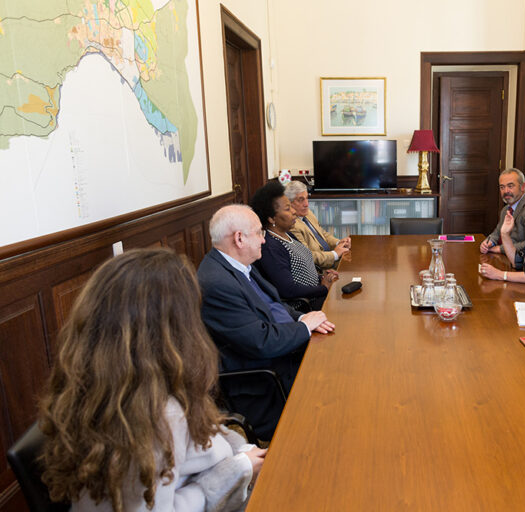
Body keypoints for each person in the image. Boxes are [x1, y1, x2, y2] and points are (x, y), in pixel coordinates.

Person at [39, 248, 267, 511]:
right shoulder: (155, 415)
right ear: (173, 328)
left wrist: (242, 450)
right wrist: (237, 468)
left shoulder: (106, 384)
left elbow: (204, 429)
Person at [197, 204, 335, 439]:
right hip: (266, 380)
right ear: (239, 238)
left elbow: (274, 304)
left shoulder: (240, 265)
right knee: (337, 397)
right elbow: (261, 342)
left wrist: (302, 317)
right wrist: (303, 327)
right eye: (259, 232)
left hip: (285, 353)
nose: (264, 240)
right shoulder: (217, 282)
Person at [250, 181, 339, 310]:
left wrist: (322, 278)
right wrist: (323, 288)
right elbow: (288, 290)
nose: (294, 212)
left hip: (317, 294)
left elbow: (302, 271)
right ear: (271, 218)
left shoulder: (287, 235)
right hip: (304, 306)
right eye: (287, 208)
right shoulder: (271, 247)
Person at [285, 180, 351, 269]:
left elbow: (323, 234)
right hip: (323, 268)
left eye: (307, 198)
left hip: (331, 258)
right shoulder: (292, 226)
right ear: (290, 203)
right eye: (301, 200)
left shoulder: (308, 213)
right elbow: (307, 256)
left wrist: (339, 243)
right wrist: (335, 254)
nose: (306, 204)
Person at [479, 168, 525, 254]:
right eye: (502, 187)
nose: (506, 191)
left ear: (522, 186)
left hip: (520, 261)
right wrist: (488, 242)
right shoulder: (506, 209)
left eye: (510, 186)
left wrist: (500, 249)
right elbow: (497, 233)